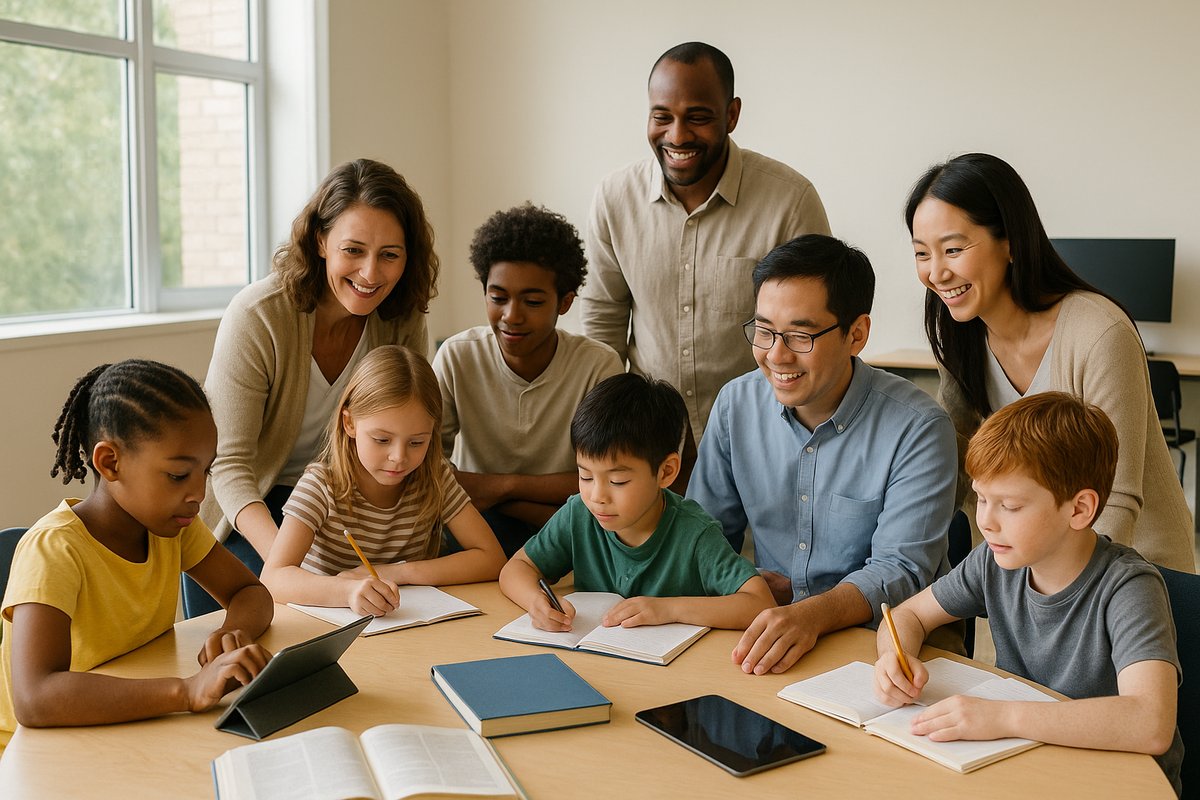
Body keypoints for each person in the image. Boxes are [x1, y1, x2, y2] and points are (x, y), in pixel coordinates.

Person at [873, 392, 1182, 795]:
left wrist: (1002, 718)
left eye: (1010, 506)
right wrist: (894, 658)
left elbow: (1150, 723)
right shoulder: (993, 562)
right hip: (1026, 764)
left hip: (1116, 781)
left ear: (1079, 509)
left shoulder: (1128, 587)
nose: (986, 521)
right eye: (982, 499)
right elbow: (906, 617)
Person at [905, 152, 1194, 572]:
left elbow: (1115, 498)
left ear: (1011, 244)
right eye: (921, 254)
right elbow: (954, 471)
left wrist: (1065, 597)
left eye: (952, 249)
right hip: (1045, 566)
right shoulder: (960, 336)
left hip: (1140, 570)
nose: (936, 272)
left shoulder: (1098, 332)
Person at [687, 234, 958, 675]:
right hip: (771, 624)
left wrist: (810, 611)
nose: (775, 355)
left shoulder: (920, 427)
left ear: (857, 334)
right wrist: (745, 583)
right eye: (764, 331)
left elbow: (901, 570)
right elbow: (701, 534)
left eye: (799, 335)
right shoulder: (736, 404)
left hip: (891, 639)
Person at [192, 158, 440, 616]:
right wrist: (294, 563)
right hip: (255, 511)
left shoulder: (401, 318)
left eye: (390, 255)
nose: (370, 274)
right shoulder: (259, 315)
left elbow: (412, 420)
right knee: (282, 614)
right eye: (354, 250)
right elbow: (227, 463)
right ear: (321, 240)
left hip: (347, 507)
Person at [580, 41, 831, 482]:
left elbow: (813, 332)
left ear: (731, 115)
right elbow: (604, 323)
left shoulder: (790, 201)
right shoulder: (614, 198)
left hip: (766, 437)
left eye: (697, 117)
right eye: (662, 117)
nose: (677, 136)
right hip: (648, 444)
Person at [0, 360, 273, 747]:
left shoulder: (171, 528)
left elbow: (251, 594)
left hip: (127, 724)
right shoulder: (54, 550)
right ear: (110, 462)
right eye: (179, 475)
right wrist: (187, 691)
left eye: (205, 472)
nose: (199, 494)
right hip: (32, 751)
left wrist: (229, 634)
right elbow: (35, 698)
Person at [499, 373, 773, 632]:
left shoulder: (695, 533)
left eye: (618, 481)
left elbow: (759, 603)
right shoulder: (579, 515)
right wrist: (535, 602)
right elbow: (516, 568)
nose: (597, 496)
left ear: (666, 472)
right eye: (585, 476)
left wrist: (669, 609)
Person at [433, 204, 623, 556]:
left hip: (569, 528)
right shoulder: (458, 356)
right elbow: (428, 467)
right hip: (474, 527)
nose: (511, 316)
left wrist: (499, 489)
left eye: (533, 301)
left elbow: (608, 480)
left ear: (564, 303)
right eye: (497, 298)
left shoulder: (598, 366)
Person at [260, 346, 505, 617]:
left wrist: (400, 572)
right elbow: (273, 579)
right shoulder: (320, 486)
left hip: (407, 624)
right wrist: (348, 591)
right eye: (382, 440)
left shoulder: (435, 477)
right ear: (349, 424)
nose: (399, 458)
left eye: (416, 442)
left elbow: (492, 558)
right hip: (331, 628)